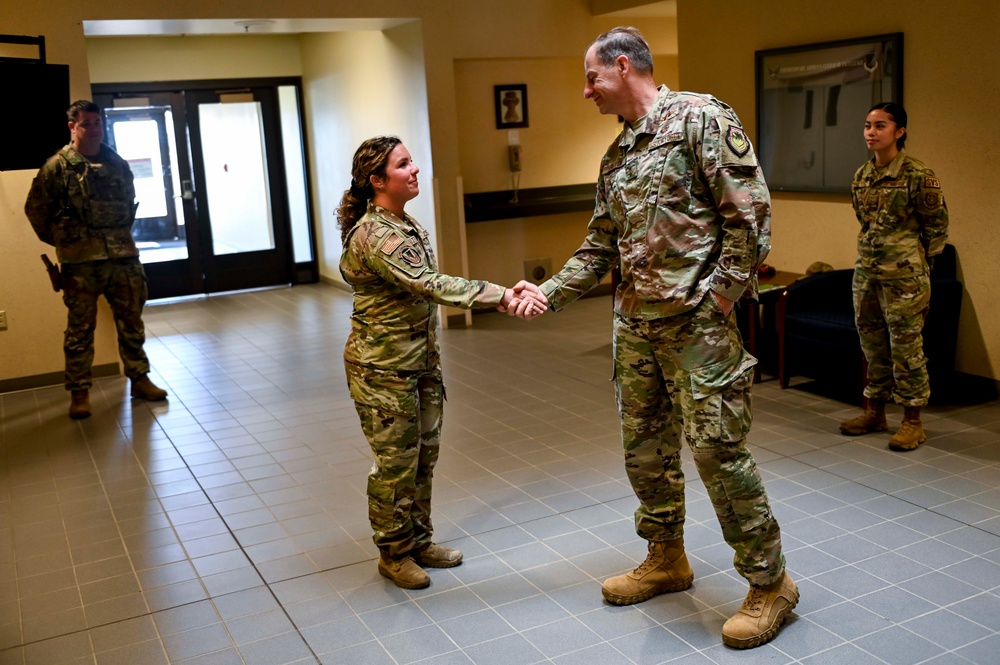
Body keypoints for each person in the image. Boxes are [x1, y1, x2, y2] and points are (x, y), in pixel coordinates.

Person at [515, 27, 796, 649]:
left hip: (696, 328)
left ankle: (770, 583)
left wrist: (720, 296)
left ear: (622, 66)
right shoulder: (617, 156)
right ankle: (666, 556)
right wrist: (548, 291)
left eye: (592, 78)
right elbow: (598, 244)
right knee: (646, 452)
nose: (586, 91)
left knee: (719, 453)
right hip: (636, 328)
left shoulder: (698, 118)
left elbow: (750, 215)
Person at [337, 136, 546, 590]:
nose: (414, 170)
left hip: (418, 362)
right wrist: (502, 296)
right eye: (403, 164)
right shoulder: (377, 234)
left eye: (412, 161)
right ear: (376, 180)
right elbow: (430, 284)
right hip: (383, 370)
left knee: (423, 457)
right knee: (396, 463)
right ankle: (393, 553)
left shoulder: (404, 224)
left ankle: (417, 541)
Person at [24, 100, 167, 420]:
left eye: (97, 123)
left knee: (132, 322)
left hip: (123, 256)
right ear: (72, 127)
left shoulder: (117, 163)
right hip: (80, 264)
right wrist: (68, 242)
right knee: (80, 330)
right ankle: (79, 392)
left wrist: (115, 240)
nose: (93, 129)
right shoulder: (56, 168)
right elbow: (36, 212)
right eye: (86, 123)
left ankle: (139, 379)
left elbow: (128, 205)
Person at [839, 103, 949, 451]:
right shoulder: (862, 175)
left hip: (905, 277)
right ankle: (875, 411)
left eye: (880, 126)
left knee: (906, 348)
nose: (871, 132)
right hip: (868, 271)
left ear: (899, 131)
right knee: (872, 345)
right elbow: (865, 220)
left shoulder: (918, 174)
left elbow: (936, 226)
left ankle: (912, 421)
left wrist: (921, 267)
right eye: (868, 125)